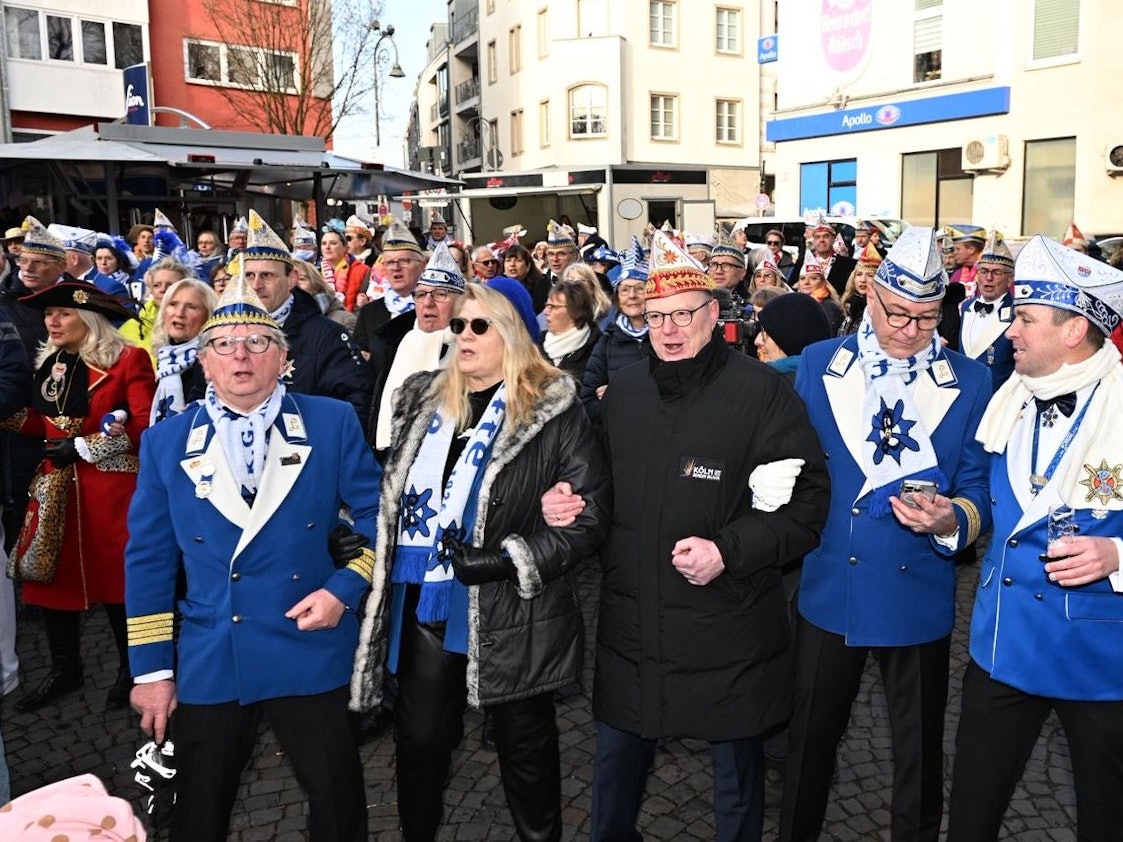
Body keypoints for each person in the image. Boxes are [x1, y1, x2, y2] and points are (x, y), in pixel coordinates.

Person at [547, 230, 831, 842]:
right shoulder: (623, 394)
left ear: (714, 314)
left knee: (736, 782)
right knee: (615, 777)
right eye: (655, 318)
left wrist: (728, 551)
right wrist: (568, 502)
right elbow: (599, 489)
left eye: (682, 315)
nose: (669, 330)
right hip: (631, 622)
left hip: (727, 623)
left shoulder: (762, 394)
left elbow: (806, 505)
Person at [350, 281, 611, 842]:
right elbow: (391, 491)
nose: (463, 335)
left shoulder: (552, 407)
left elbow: (588, 517)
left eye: (478, 325)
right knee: (418, 739)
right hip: (425, 597)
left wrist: (505, 559)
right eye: (458, 325)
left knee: (525, 744)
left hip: (511, 605)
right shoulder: (420, 398)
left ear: (511, 332)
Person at [126, 270, 380, 841]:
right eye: (223, 345)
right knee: (199, 809)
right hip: (213, 647)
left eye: (257, 343)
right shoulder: (165, 442)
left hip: (307, 638)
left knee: (338, 802)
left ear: (282, 356)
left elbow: (378, 515)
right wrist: (152, 670)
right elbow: (148, 562)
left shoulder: (330, 421)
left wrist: (344, 589)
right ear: (204, 361)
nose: (241, 356)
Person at [781, 226, 993, 842]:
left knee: (919, 756)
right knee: (808, 748)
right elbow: (796, 464)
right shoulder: (821, 364)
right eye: (897, 313)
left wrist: (954, 517)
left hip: (917, 587)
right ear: (869, 297)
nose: (909, 330)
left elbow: (977, 486)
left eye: (927, 319)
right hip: (830, 583)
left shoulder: (971, 380)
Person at [944, 235, 1123, 841]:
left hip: (1100, 660)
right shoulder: (1012, 400)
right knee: (971, 811)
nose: (1011, 329)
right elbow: (998, 506)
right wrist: (951, 520)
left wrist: (1118, 552)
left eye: (1024, 318)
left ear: (1075, 329)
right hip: (1001, 645)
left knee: (1107, 818)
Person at [6, 280, 153, 712]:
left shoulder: (129, 360)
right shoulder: (51, 362)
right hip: (55, 488)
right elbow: (44, 424)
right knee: (50, 578)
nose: (52, 321)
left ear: (88, 318)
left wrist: (87, 446)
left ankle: (134, 671)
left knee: (118, 583)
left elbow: (144, 425)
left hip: (110, 491)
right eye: (49, 313)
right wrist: (9, 417)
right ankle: (65, 668)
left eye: (63, 313)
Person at [242, 210, 372, 432]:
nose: (256, 285)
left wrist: (323, 451)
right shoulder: (225, 334)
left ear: (291, 279)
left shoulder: (327, 336)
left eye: (267, 275)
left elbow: (356, 404)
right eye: (249, 276)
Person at [371, 241, 464, 453]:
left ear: (461, 303)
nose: (428, 303)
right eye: (421, 295)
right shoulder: (392, 344)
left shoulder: (472, 349)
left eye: (440, 294)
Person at [580, 239, 649, 424]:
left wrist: (622, 392)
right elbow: (588, 401)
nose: (632, 296)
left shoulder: (666, 337)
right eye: (625, 290)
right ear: (617, 298)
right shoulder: (606, 342)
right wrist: (612, 404)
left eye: (640, 288)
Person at [150, 278, 218, 424]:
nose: (179, 313)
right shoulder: (166, 358)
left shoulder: (210, 361)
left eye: (191, 307)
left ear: (208, 316)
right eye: (173, 304)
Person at [353, 220, 422, 357]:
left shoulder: (429, 306)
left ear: (421, 265)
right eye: (390, 262)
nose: (396, 268)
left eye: (404, 261)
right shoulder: (370, 312)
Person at [959, 231, 1015, 393]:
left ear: (1010, 279)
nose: (988, 278)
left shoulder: (1017, 314)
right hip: (965, 395)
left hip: (996, 400)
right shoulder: (967, 307)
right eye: (983, 271)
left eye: (996, 272)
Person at [118, 258, 194, 358]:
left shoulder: (196, 323)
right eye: (157, 285)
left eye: (170, 285)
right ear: (151, 289)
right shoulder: (131, 326)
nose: (162, 290)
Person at [754, 292, 830, 380]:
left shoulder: (770, 385)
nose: (757, 341)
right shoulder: (830, 379)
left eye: (766, 333)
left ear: (791, 338)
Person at [540, 279, 600, 382]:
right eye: (547, 305)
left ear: (575, 311)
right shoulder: (537, 344)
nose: (545, 312)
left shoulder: (598, 347)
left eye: (553, 307)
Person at [792, 219, 855, 296]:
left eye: (826, 236)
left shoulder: (849, 264)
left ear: (833, 239)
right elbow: (791, 287)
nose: (821, 240)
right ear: (813, 241)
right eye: (817, 237)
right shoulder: (801, 262)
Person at [838, 242, 881, 335]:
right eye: (859, 274)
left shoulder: (879, 310)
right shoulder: (848, 304)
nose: (863, 280)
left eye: (870, 275)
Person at [796, 253, 844, 334]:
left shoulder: (829, 306)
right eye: (802, 278)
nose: (806, 282)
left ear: (823, 283)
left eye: (813, 278)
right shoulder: (796, 303)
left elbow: (830, 336)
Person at [502, 242, 550, 312]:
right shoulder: (499, 288)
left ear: (528, 266)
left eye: (518, 260)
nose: (512, 264)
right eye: (508, 260)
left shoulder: (541, 284)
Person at [946, 223, 986, 289]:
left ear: (971, 250)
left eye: (958, 249)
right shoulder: (957, 274)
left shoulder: (989, 274)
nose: (954, 252)